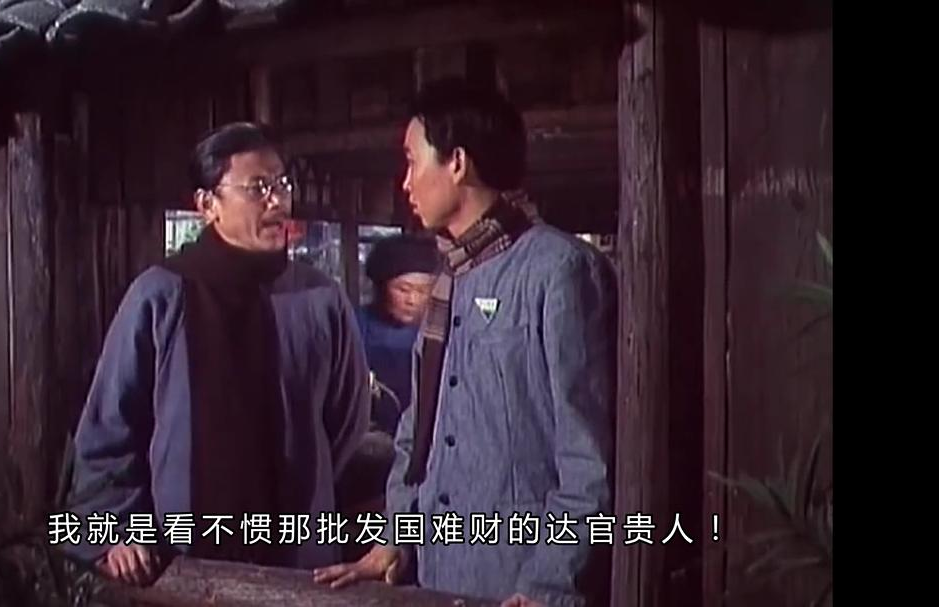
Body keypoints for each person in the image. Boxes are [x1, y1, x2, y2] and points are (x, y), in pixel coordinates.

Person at [313, 78, 616, 607]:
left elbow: (589, 456)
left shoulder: (559, 270)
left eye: (413, 161)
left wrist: (548, 583)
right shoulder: (450, 275)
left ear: (456, 163)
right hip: (438, 570)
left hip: (516, 578)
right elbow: (419, 428)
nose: (406, 181)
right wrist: (396, 537)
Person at [61, 122, 370, 586]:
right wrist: (116, 530)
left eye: (282, 184)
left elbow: (346, 422)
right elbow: (110, 428)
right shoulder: (160, 296)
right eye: (258, 188)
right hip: (180, 557)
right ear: (207, 205)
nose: (278, 201)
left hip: (300, 558)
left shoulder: (320, 298)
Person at [357, 234, 440, 435]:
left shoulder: (442, 332)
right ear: (381, 287)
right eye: (403, 289)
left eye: (423, 291)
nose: (412, 300)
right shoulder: (354, 327)